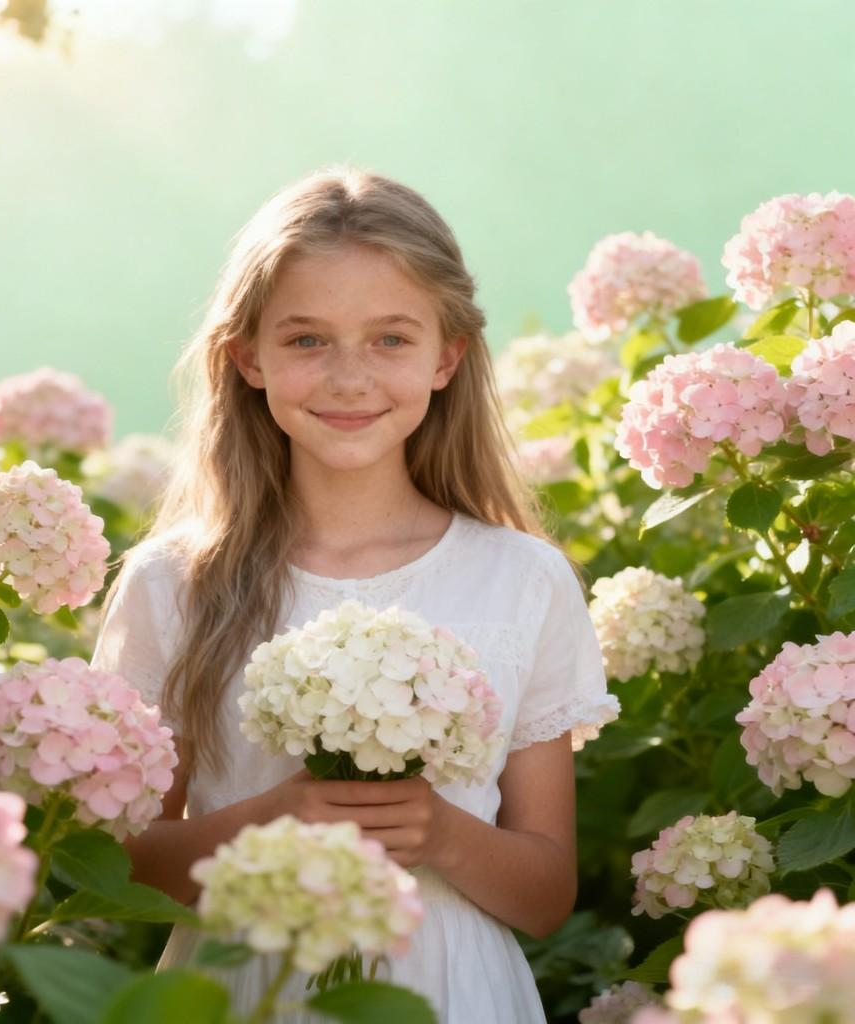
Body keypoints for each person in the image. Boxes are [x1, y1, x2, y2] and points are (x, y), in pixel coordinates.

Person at [90, 165, 619, 1022]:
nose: (348, 378)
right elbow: (125, 865)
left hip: (450, 992)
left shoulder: (522, 579)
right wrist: (275, 819)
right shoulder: (172, 583)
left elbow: (546, 893)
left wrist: (442, 832)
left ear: (447, 356)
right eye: (306, 340)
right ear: (247, 358)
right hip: (241, 987)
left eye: (390, 339)